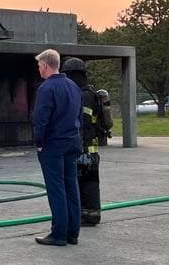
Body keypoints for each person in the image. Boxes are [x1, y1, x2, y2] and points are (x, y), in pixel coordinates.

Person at [32, 49, 81, 245]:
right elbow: (78, 116)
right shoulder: (73, 86)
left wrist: (39, 143)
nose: (38, 69)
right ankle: (72, 232)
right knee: (71, 186)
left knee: (56, 188)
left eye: (39, 66)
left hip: (53, 145)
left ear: (45, 65)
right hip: (72, 141)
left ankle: (59, 233)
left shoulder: (46, 88)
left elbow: (40, 118)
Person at [61, 57, 113, 226]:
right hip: (91, 149)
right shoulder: (89, 92)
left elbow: (83, 123)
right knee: (89, 183)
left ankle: (88, 216)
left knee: (84, 184)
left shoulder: (83, 95)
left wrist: (79, 149)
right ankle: (90, 214)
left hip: (84, 149)